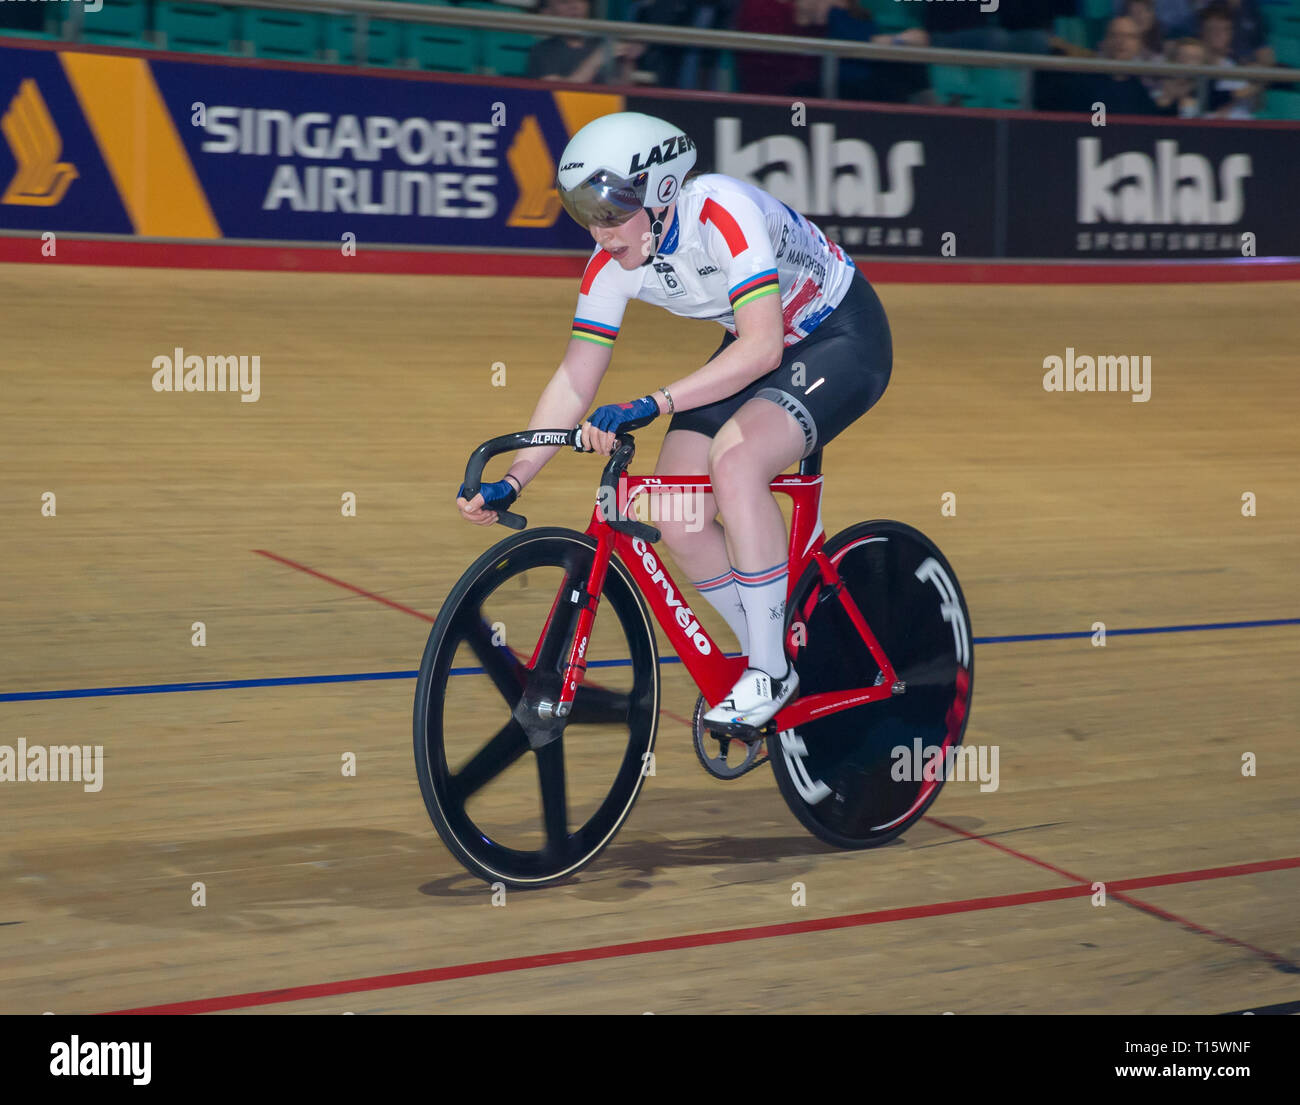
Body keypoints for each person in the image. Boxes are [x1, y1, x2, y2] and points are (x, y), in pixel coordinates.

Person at [456, 112, 893, 731]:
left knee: (737, 463)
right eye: (586, 214)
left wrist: (653, 402)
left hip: (839, 337)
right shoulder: (610, 264)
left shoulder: (723, 212)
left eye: (611, 212)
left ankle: (770, 670)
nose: (599, 232)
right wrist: (516, 477)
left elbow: (764, 350)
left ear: (662, 191)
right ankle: (788, 645)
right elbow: (575, 379)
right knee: (672, 509)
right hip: (753, 343)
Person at [527, 0, 646, 83]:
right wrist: (596, 59)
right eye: (564, 1)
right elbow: (556, 95)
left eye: (581, 0)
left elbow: (621, 91)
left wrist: (628, 60)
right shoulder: (542, 50)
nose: (575, 6)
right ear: (546, 12)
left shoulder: (601, 43)